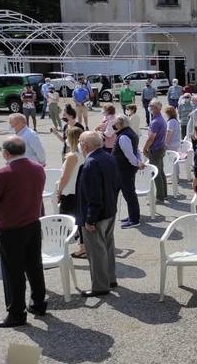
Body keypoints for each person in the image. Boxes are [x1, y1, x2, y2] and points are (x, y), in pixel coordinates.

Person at [0, 136, 46, 327]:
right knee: (34, 265)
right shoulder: (37, 168)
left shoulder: (4, 173)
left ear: (7, 153)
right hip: (33, 223)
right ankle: (38, 302)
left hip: (11, 227)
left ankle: (16, 313)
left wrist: (1, 216)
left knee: (14, 272)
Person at [76, 131, 120, 297]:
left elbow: (93, 195)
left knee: (96, 251)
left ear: (85, 145)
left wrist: (90, 219)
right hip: (109, 210)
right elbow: (116, 184)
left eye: (80, 142)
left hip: (98, 214)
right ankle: (110, 278)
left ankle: (100, 286)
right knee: (107, 247)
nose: (79, 144)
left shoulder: (91, 163)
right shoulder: (108, 157)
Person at [55, 127, 86, 258]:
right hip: (79, 191)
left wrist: (58, 192)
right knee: (80, 221)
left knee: (63, 222)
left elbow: (65, 177)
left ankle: (60, 251)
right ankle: (83, 247)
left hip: (69, 192)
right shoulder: (84, 153)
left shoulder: (73, 156)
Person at [113, 115, 144, 229]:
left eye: (116, 123)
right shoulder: (130, 133)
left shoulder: (123, 137)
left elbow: (129, 154)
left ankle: (134, 219)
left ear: (121, 124)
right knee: (129, 194)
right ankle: (132, 216)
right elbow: (136, 151)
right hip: (125, 169)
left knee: (129, 195)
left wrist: (137, 163)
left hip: (124, 170)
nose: (114, 125)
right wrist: (139, 162)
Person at [143, 100, 167, 202]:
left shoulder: (156, 121)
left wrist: (145, 148)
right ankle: (164, 194)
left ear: (157, 108)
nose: (149, 107)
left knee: (156, 173)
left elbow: (151, 138)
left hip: (156, 149)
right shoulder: (160, 119)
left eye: (151, 106)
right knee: (161, 172)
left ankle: (160, 196)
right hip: (160, 148)